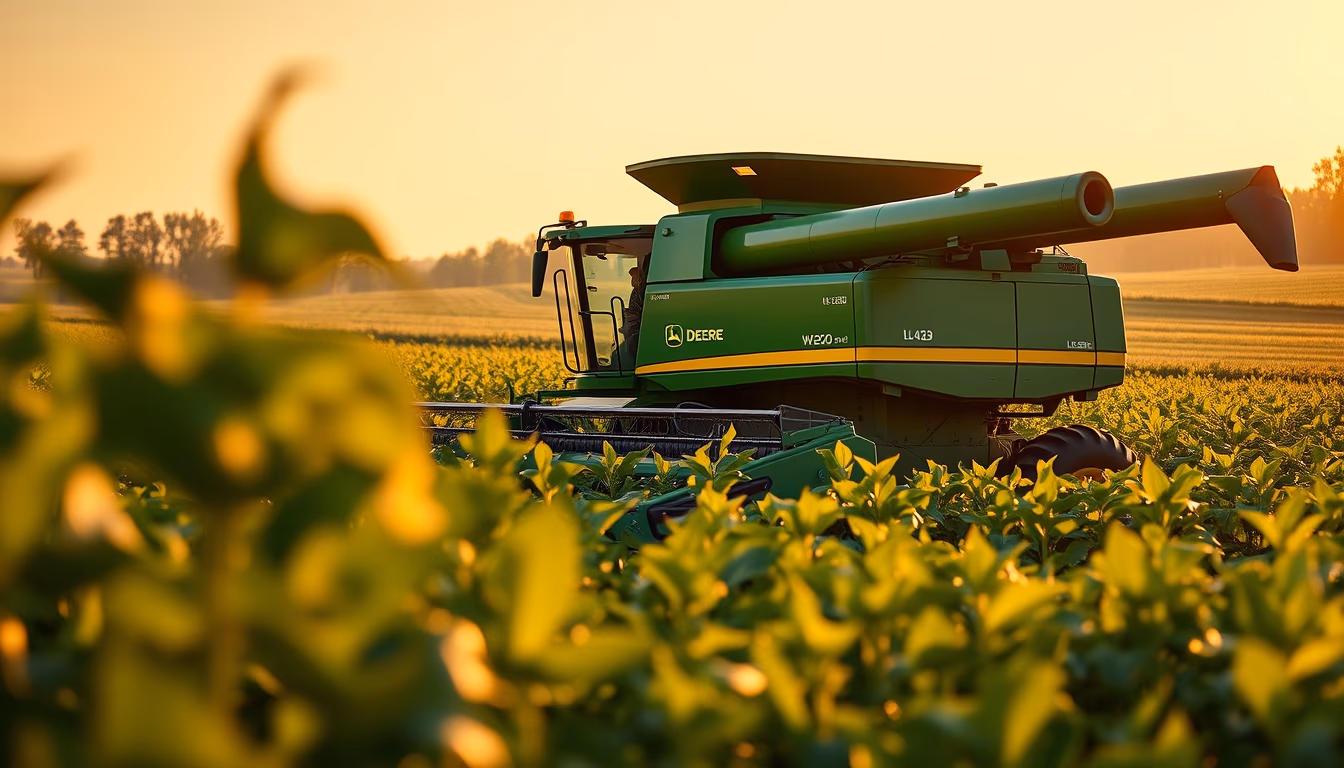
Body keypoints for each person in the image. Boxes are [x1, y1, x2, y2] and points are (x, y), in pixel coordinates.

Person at [622, 265, 646, 361]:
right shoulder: (636, 291)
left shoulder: (642, 292)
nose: (632, 281)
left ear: (640, 280)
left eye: (634, 278)